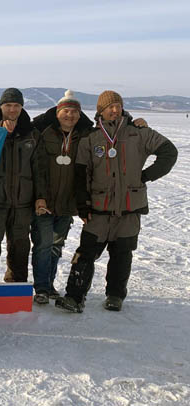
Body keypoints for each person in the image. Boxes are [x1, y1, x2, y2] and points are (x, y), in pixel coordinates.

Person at [56, 90, 177, 313]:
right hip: (99, 208)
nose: (114, 110)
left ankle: (115, 295)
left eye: (118, 106)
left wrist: (146, 175)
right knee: (85, 253)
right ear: (100, 111)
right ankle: (74, 296)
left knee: (122, 254)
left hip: (129, 207)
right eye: (110, 107)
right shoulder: (91, 138)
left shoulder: (138, 133)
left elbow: (169, 152)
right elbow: (81, 175)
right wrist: (83, 205)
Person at [29, 90, 94, 303]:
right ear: (57, 113)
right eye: (66, 111)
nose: (70, 115)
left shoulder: (85, 135)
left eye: (74, 112)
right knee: (43, 244)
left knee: (57, 245)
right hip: (45, 200)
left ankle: (49, 284)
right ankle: (41, 288)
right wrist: (39, 197)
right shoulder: (43, 132)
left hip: (67, 202)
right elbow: (38, 168)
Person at [0, 88, 48, 283]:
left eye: (16, 105)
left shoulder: (32, 133)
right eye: (8, 105)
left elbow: (40, 169)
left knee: (20, 247)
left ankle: (16, 285)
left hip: (23, 203)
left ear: (22, 107)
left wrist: (40, 196)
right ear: (1, 106)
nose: (12, 109)